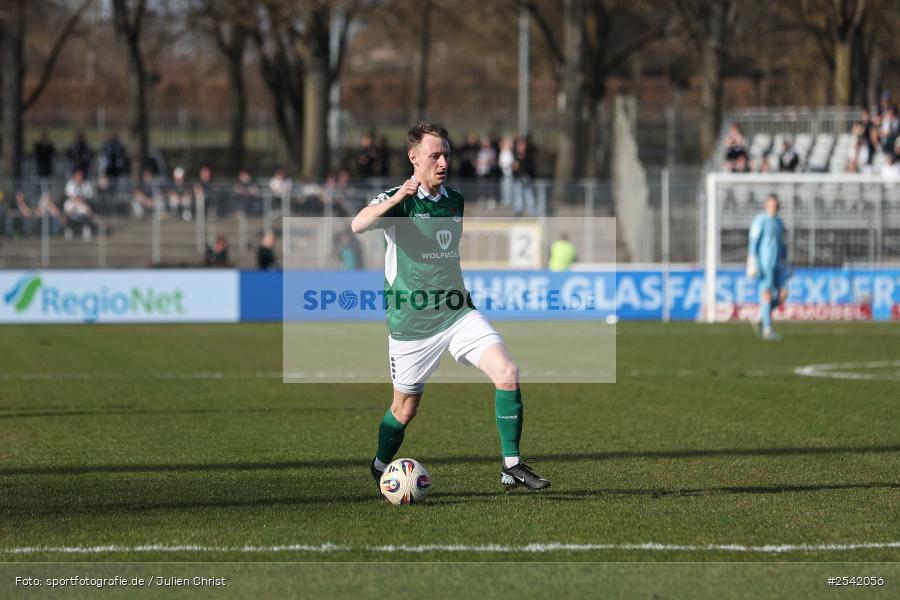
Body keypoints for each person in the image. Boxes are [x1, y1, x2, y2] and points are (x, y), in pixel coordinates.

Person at [350, 121, 550, 492]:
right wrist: (396, 199)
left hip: (458, 312)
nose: (443, 161)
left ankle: (512, 465)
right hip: (411, 324)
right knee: (404, 410)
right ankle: (380, 466)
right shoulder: (399, 200)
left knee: (507, 372)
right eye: (434, 154)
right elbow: (358, 225)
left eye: (446, 154)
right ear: (414, 158)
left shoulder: (455, 200)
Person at [747, 194, 788, 341]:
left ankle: (760, 318)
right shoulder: (760, 220)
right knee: (767, 294)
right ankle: (767, 329)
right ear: (765, 205)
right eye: (770, 204)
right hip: (765, 264)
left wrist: (786, 262)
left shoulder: (779, 223)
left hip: (778, 264)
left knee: (783, 295)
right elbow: (754, 241)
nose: (773, 207)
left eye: (775, 205)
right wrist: (752, 261)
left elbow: (782, 244)